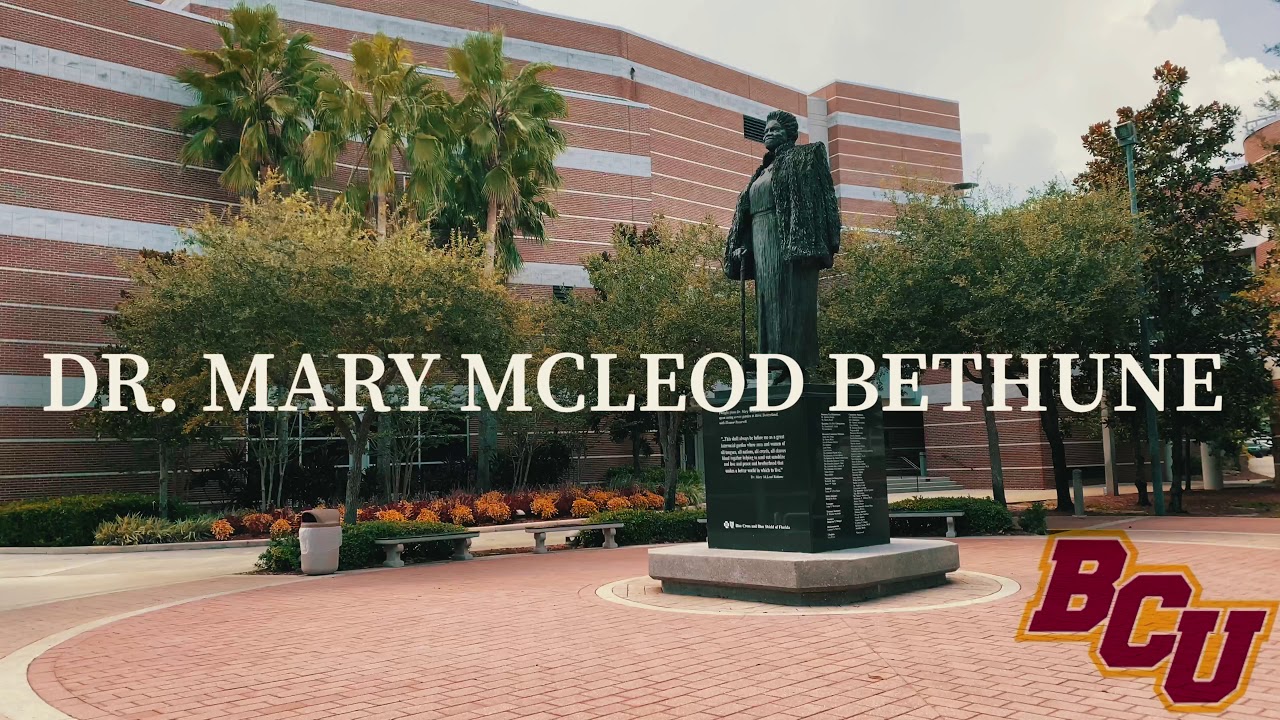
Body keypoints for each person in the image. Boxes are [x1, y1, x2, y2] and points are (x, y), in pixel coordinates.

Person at [724, 109, 841, 381]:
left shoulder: (804, 157)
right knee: (768, 302)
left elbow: (825, 199)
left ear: (790, 134)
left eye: (774, 129)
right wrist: (744, 246)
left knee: (791, 299)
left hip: (790, 238)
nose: (768, 133)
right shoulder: (761, 171)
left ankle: (793, 367)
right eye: (766, 130)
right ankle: (772, 364)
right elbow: (747, 213)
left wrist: (827, 241)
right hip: (761, 239)